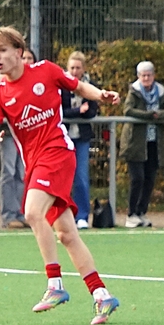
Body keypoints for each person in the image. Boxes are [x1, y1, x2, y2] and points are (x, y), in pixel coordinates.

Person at [0, 26, 121, 325]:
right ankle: (102, 295)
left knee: (32, 212)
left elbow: (79, 87)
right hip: (36, 164)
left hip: (57, 153)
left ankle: (55, 284)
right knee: (66, 234)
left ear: (19, 52)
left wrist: (101, 95)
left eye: (2, 50)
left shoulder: (45, 71)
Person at [120, 61, 164, 228]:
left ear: (153, 75)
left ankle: (141, 212)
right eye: (143, 75)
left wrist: (159, 115)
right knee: (137, 178)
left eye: (149, 75)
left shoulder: (162, 92)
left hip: (154, 142)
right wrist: (148, 115)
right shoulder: (134, 91)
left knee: (150, 179)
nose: (146, 78)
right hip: (135, 142)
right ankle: (131, 214)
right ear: (138, 76)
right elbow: (128, 110)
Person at [60, 51, 99, 230]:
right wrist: (78, 111)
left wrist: (84, 110)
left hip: (82, 138)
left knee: (81, 177)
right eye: (72, 68)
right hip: (63, 137)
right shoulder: (60, 86)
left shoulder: (90, 86)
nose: (75, 71)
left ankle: (82, 216)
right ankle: (61, 215)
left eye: (78, 68)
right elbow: (60, 111)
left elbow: (91, 111)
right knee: (62, 178)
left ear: (83, 69)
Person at [0, 49, 35, 229]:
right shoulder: (2, 79)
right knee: (9, 172)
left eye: (30, 58)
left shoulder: (35, 81)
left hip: (28, 135)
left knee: (23, 173)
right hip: (9, 133)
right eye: (24, 57)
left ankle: (22, 212)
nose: (26, 61)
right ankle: (8, 215)